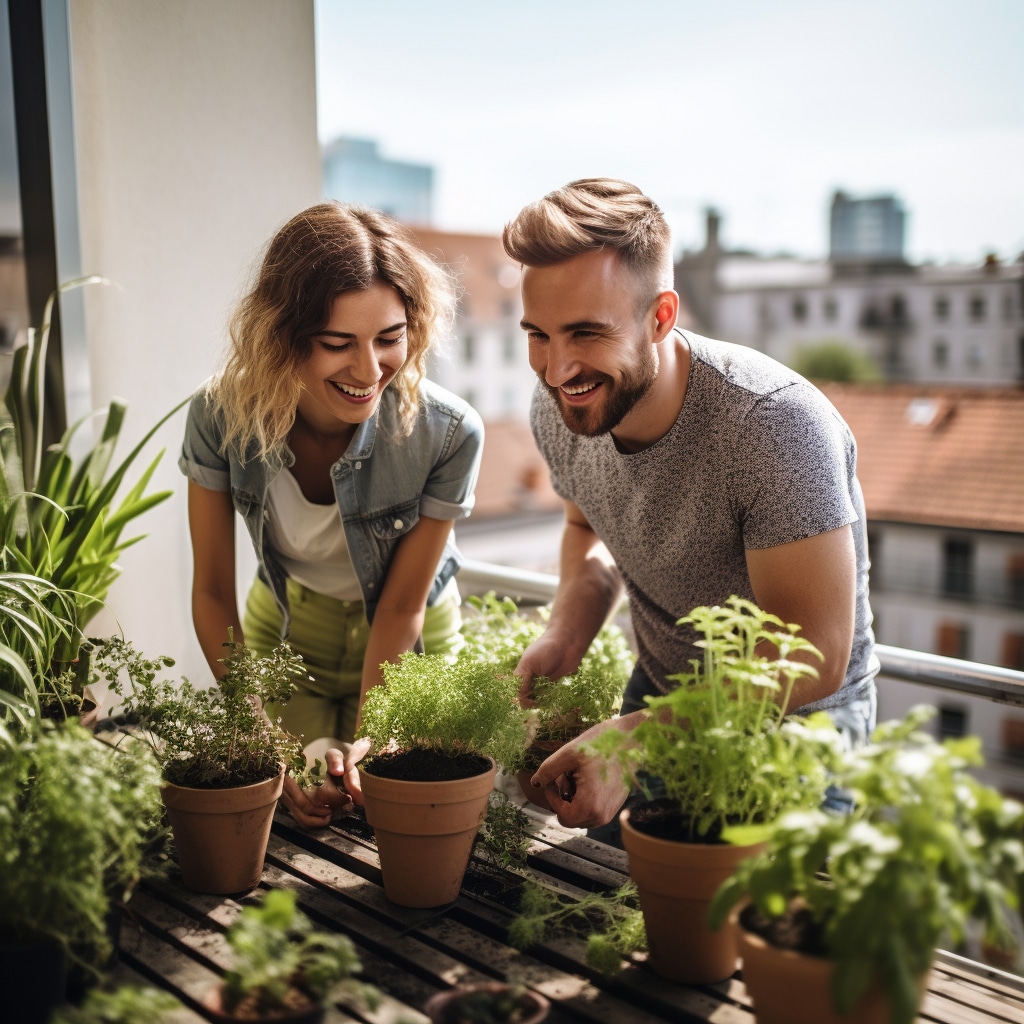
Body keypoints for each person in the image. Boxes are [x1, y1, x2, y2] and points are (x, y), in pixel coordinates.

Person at [500, 178, 879, 835]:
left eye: (586, 334)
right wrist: (566, 632)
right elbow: (586, 523)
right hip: (664, 693)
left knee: (750, 929)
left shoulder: (771, 424)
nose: (558, 369)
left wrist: (639, 740)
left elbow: (814, 652)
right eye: (539, 335)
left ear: (662, 316)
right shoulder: (563, 407)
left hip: (799, 726)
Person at [179, 202, 483, 827]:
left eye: (389, 339)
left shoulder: (448, 434)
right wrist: (262, 736)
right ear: (282, 337)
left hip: (413, 635)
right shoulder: (218, 416)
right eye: (337, 343)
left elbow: (402, 606)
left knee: (397, 805)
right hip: (292, 632)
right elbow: (210, 590)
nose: (369, 371)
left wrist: (380, 732)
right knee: (304, 800)